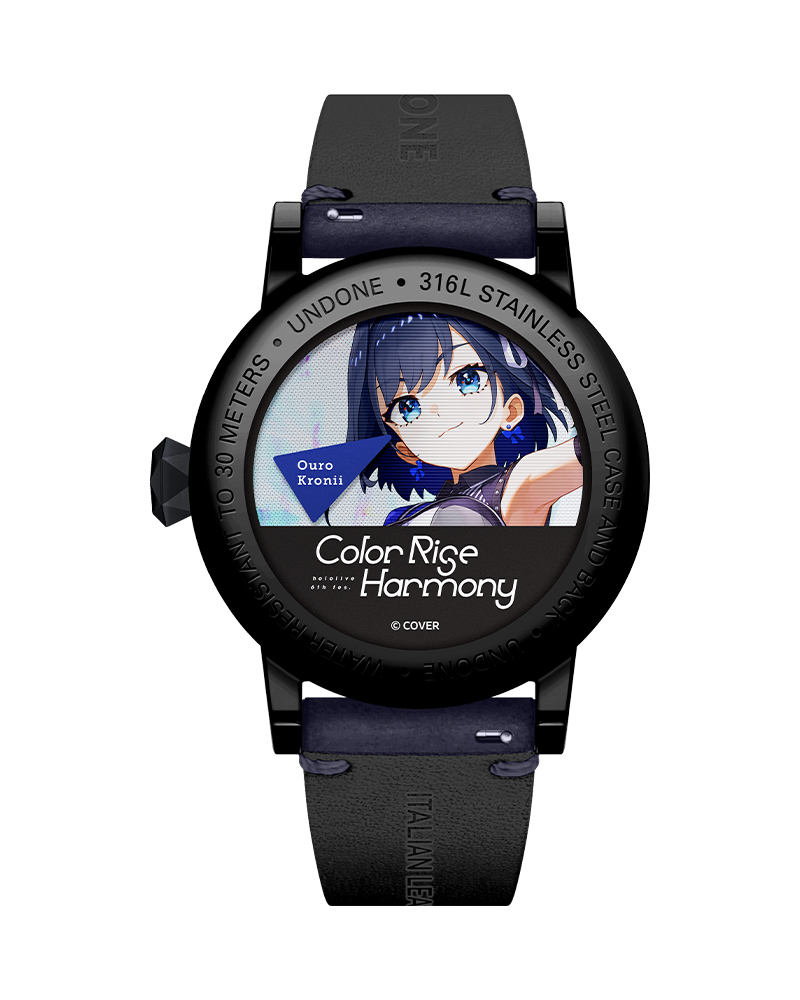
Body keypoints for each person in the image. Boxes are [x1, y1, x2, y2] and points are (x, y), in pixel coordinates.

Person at [346, 313, 583, 526]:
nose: (438, 410)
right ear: (403, 449)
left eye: (467, 379)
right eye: (407, 408)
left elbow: (592, 451)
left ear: (511, 411)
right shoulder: (400, 518)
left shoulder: (519, 488)